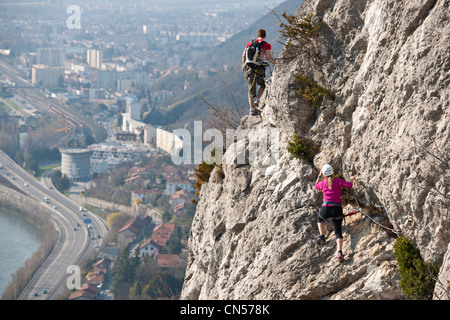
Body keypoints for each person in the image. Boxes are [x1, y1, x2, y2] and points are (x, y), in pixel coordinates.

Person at [313, 164, 355, 262]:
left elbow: (315, 186)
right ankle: (339, 252)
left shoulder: (323, 183)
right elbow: (349, 185)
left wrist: (319, 176)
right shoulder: (338, 181)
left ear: (324, 174)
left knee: (320, 218)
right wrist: (352, 179)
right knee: (338, 232)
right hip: (336, 208)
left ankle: (322, 237)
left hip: (326, 207)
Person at [242, 29, 275, 115]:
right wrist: (276, 63)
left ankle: (252, 108)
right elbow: (268, 57)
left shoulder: (250, 43)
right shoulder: (267, 45)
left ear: (257, 36)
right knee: (262, 84)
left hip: (249, 67)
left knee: (251, 89)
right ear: (265, 36)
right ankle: (258, 99)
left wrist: (243, 65)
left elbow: (244, 55)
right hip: (259, 67)